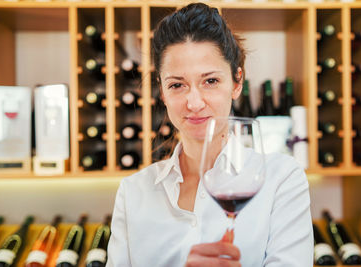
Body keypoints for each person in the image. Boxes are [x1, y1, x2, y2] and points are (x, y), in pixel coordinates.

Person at [106, 3, 313, 267]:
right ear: (162, 91)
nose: (194, 102)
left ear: (237, 83)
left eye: (211, 81)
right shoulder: (133, 192)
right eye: (177, 85)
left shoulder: (281, 180)